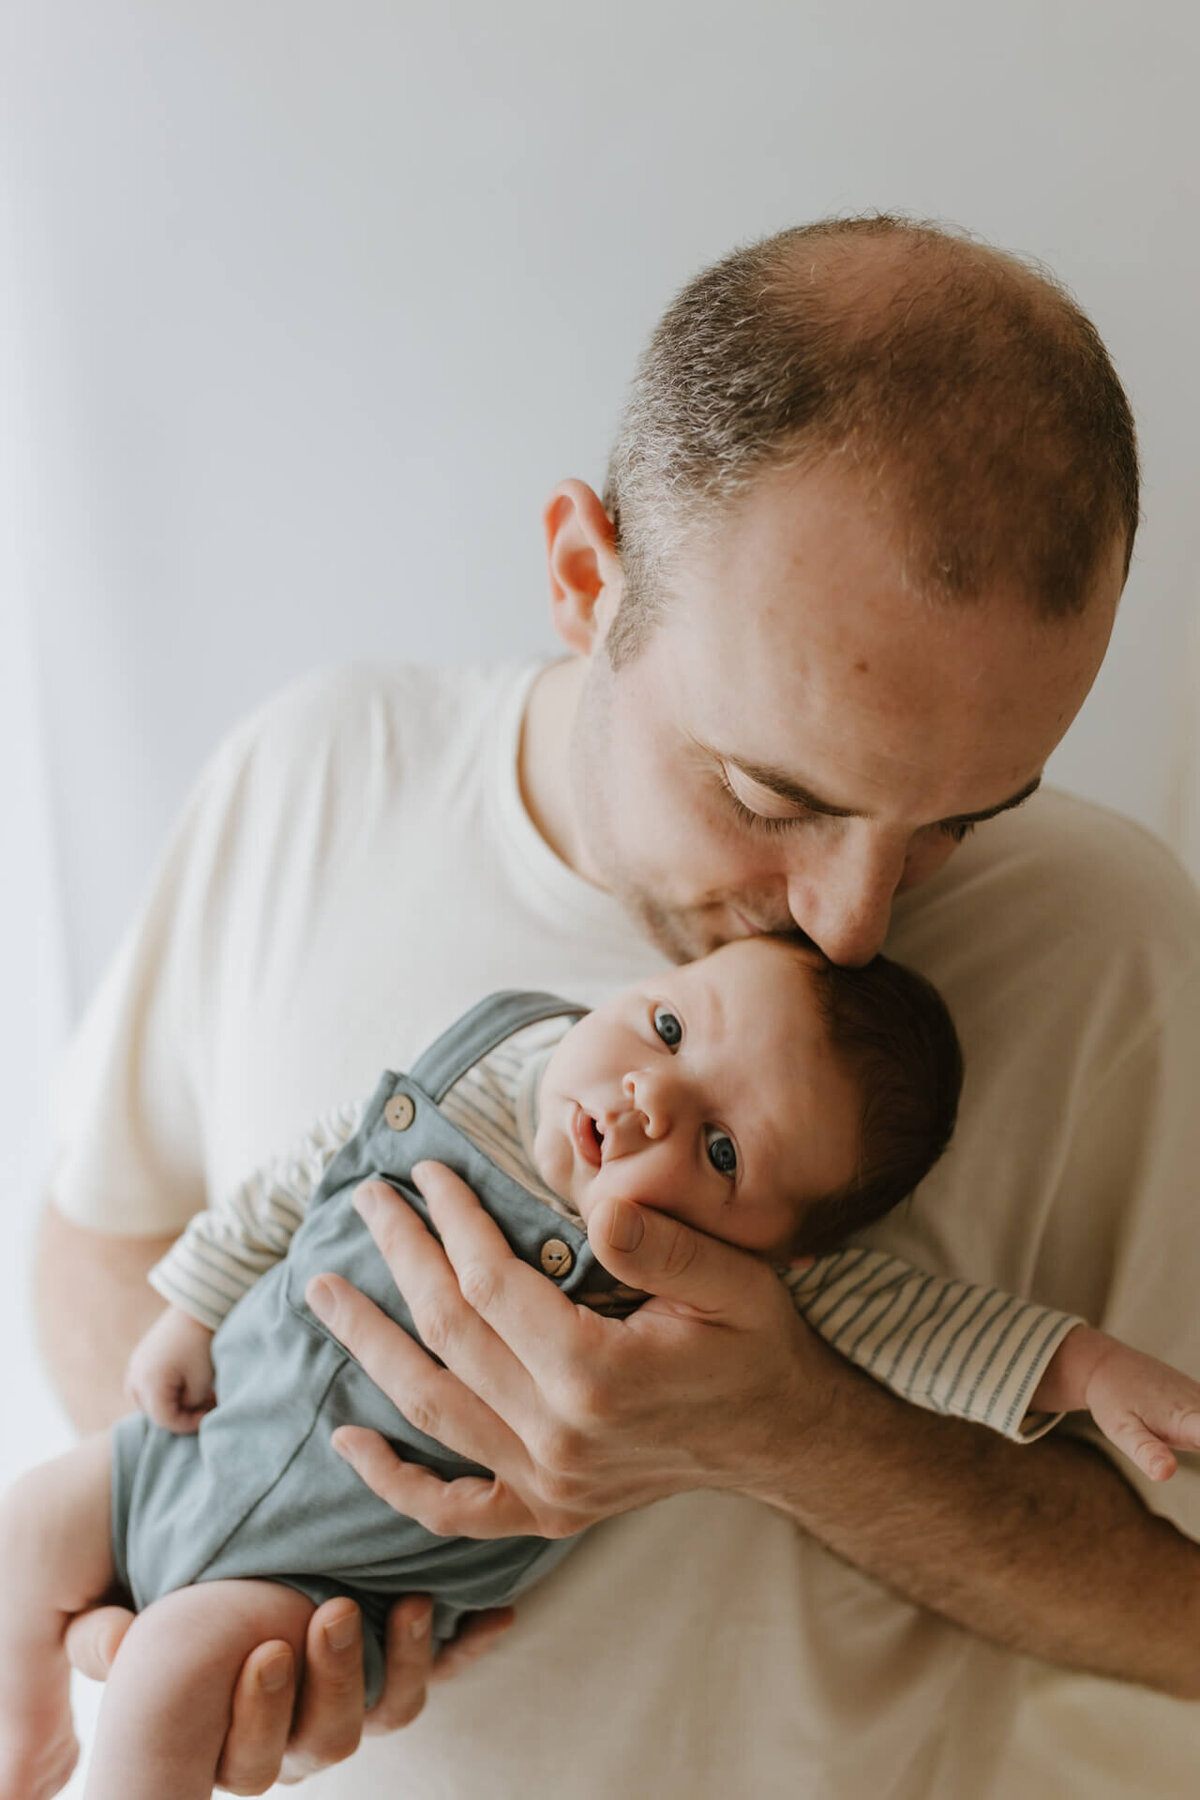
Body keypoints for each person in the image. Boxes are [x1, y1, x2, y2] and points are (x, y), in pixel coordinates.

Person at [35, 217, 1200, 1799]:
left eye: (961, 820)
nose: (854, 921)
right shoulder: (317, 772)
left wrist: (793, 1435)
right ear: (589, 575)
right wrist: (199, 1547)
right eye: (771, 792)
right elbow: (99, 1231)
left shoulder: (1123, 952)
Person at [10, 939, 1200, 1798]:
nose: (651, 1098)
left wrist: (1084, 1366)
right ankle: (26, 1749)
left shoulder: (713, 1285)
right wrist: (190, 1304)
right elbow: (304, 1176)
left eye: (721, 1149)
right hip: (182, 1456)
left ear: (771, 1246)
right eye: (670, 1031)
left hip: (315, 1574)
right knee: (24, 1528)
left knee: (167, 1679)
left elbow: (925, 1327)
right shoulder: (485, 1064)